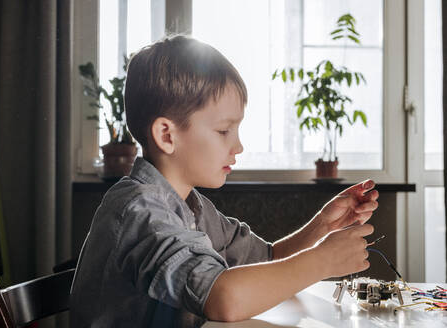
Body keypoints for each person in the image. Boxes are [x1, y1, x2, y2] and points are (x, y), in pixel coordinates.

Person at [70, 35, 379, 328]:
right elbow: (223, 298)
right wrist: (322, 261)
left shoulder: (191, 206)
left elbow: (267, 260)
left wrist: (323, 226)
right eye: (223, 131)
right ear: (167, 135)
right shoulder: (142, 212)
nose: (238, 146)